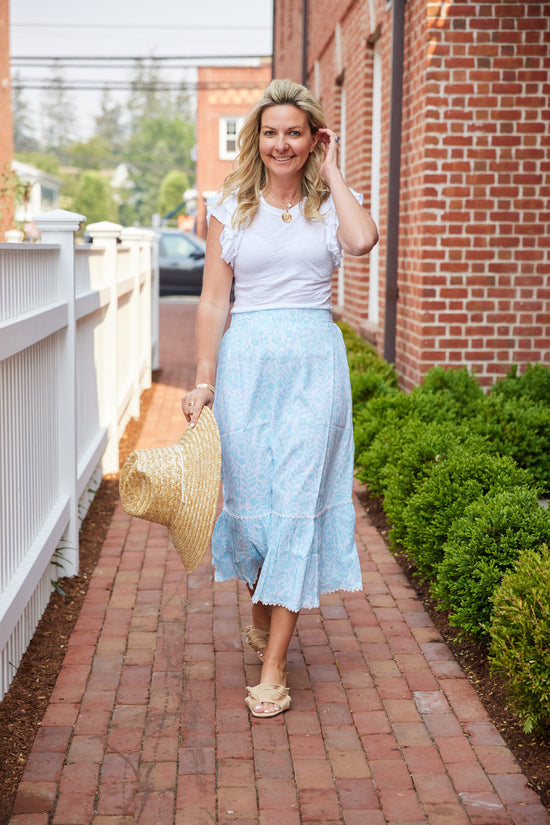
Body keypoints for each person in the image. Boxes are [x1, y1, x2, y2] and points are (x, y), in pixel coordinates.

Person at [181, 78, 378, 718]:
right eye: (271, 133)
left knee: (294, 505)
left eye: (295, 132)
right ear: (256, 140)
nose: (281, 144)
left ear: (311, 138)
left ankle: (273, 669)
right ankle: (263, 615)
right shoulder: (230, 207)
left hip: (314, 371)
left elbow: (362, 241)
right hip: (246, 370)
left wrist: (336, 167)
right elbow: (214, 301)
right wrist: (204, 378)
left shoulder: (330, 207)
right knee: (253, 506)